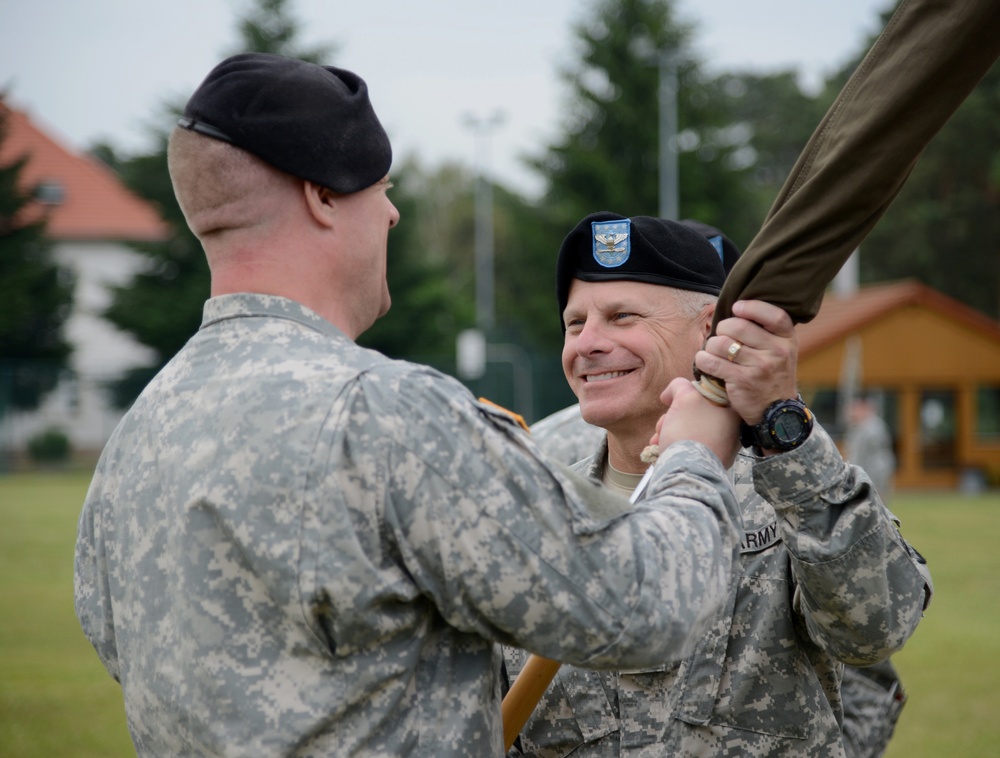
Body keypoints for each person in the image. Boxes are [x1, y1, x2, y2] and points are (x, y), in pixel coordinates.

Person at [72, 54, 753, 757]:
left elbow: (118, 642)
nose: (393, 213)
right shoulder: (385, 414)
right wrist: (695, 454)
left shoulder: (139, 432)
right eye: (382, 189)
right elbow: (644, 609)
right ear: (322, 197)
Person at [504, 212, 932, 757]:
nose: (587, 343)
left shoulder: (787, 496)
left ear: (709, 329)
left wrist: (787, 429)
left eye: (622, 316)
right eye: (573, 323)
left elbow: (878, 627)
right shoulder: (529, 509)